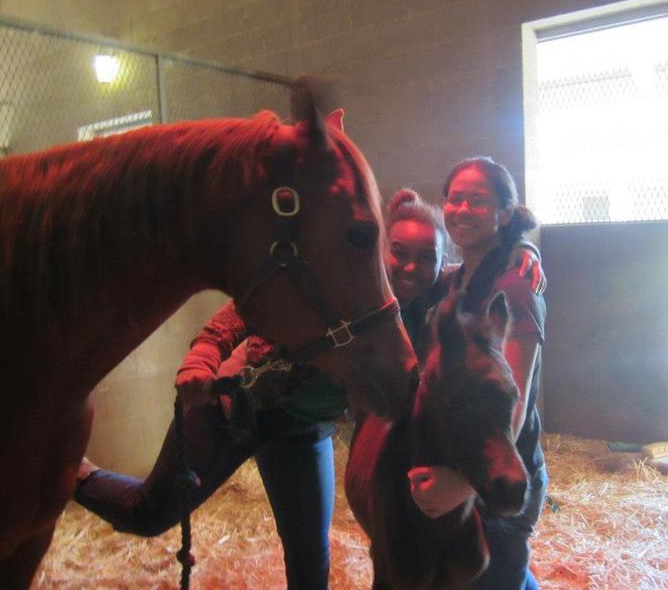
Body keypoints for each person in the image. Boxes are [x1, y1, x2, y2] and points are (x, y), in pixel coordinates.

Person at [74, 186, 544, 590]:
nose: (411, 266)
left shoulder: (429, 301)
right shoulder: (337, 282)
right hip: (237, 409)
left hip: (304, 432)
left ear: (443, 263)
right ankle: (73, 473)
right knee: (148, 513)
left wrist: (522, 249)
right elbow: (242, 311)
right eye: (399, 251)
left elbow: (481, 279)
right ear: (379, 248)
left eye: (427, 258)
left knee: (309, 554)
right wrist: (202, 356)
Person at [407, 156, 547, 590]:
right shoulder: (453, 281)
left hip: (499, 475)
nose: (462, 210)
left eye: (478, 202)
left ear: (504, 214)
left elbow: (514, 399)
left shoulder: (515, 287)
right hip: (470, 463)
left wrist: (465, 484)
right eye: (455, 199)